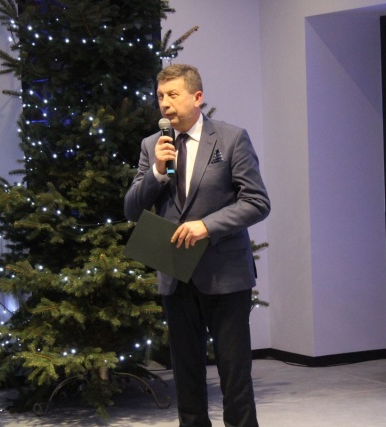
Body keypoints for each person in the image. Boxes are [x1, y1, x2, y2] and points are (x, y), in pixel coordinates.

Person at [124, 63, 270, 427]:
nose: (165, 103)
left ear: (197, 97)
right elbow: (132, 209)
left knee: (235, 374)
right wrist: (157, 172)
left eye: (173, 95)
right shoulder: (152, 146)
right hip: (176, 275)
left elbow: (256, 202)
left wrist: (207, 226)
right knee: (186, 375)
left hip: (225, 275)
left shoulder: (231, 139)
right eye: (160, 96)